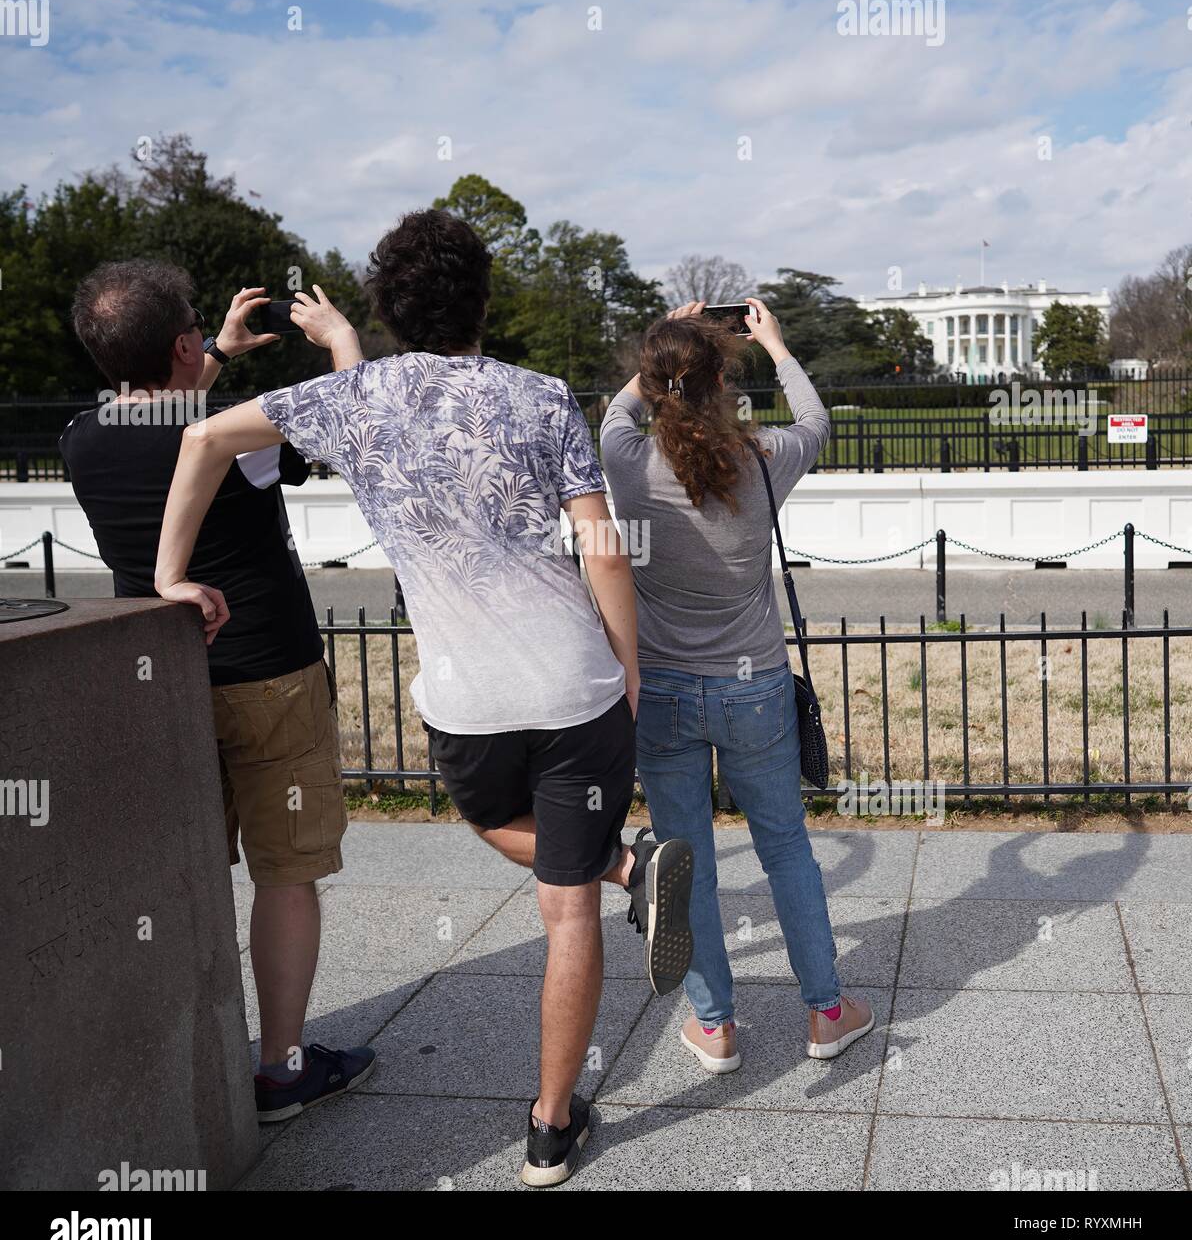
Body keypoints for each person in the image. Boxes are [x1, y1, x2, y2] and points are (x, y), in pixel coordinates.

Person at [151, 210, 696, 1188]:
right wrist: (630, 670)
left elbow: (200, 447)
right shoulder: (537, 397)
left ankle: (618, 883)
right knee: (563, 909)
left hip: (465, 700)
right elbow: (600, 544)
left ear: (387, 309)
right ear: (482, 300)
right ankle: (549, 1122)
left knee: (492, 822)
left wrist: (166, 576)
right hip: (571, 679)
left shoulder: (348, 398)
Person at [62, 260, 376, 1121]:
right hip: (268, 669)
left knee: (187, 872)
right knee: (286, 873)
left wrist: (214, 357)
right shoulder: (235, 430)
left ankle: (178, 1059)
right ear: (182, 341)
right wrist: (339, 342)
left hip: (159, 679)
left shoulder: (79, 438)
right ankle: (281, 1066)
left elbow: (164, 417)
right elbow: (359, 427)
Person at [599, 298, 874, 1073]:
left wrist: (662, 347)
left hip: (662, 691)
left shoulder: (627, 458)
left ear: (655, 386)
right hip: (752, 687)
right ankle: (825, 1012)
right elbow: (818, 420)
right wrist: (777, 346)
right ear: (724, 382)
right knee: (787, 849)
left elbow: (619, 412)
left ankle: (715, 1026)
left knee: (686, 858)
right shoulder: (762, 458)